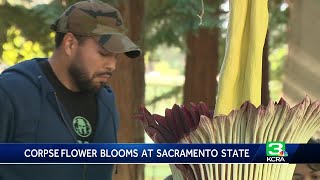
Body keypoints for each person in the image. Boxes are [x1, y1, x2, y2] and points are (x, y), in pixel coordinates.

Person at [0, 0, 141, 180]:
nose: (112, 65)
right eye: (104, 53)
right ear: (70, 43)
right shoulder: (12, 92)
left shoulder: (106, 103)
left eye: (116, 56)